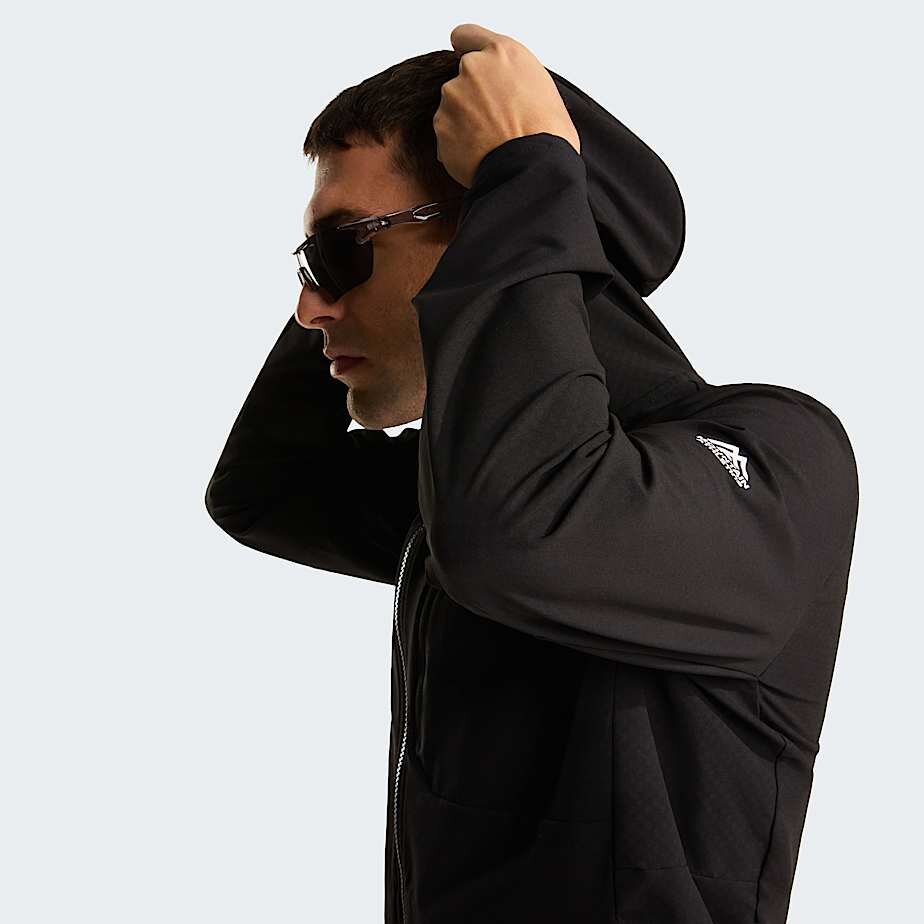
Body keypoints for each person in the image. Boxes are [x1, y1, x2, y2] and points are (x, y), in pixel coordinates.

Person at [204, 24, 859, 924]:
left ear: (494, 234)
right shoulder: (478, 476)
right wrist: (509, 213)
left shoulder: (781, 457)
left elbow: (525, 530)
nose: (310, 306)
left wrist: (523, 178)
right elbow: (266, 488)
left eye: (342, 252)